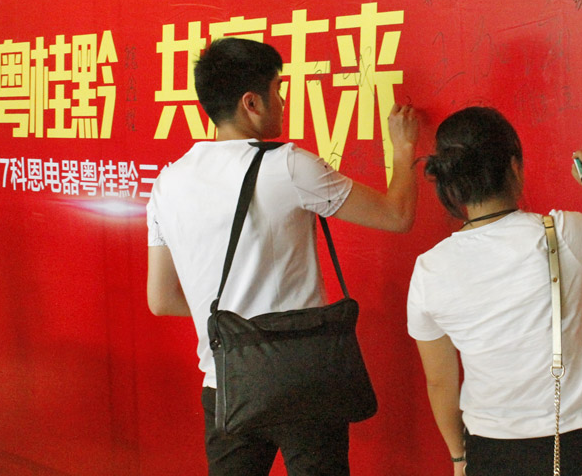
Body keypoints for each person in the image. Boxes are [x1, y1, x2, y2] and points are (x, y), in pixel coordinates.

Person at [145, 37, 419, 476]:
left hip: (225, 386)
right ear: (251, 102)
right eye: (278, 89)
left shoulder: (167, 184)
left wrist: (237, 319)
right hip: (303, 382)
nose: (284, 101)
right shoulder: (288, 165)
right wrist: (403, 147)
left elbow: (161, 300)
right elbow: (397, 215)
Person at [406, 106, 582, 476]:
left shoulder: (429, 269)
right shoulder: (564, 233)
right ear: (514, 168)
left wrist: (459, 458)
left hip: (491, 453)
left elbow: (440, 381)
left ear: (451, 183)